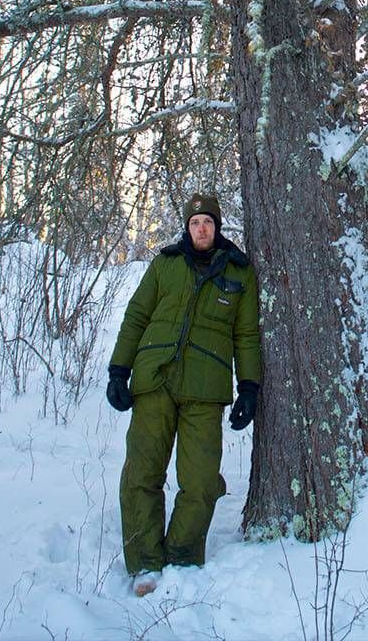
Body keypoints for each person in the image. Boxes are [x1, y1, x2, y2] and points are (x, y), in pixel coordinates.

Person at [105, 191, 261, 597]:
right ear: (187, 228)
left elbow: (245, 335)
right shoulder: (166, 264)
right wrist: (119, 370)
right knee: (142, 473)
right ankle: (144, 562)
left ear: (217, 226)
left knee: (202, 480)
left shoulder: (240, 272)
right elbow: (137, 315)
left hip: (204, 391)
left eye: (207, 221)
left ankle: (183, 556)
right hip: (154, 381)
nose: (201, 228)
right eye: (194, 223)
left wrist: (249, 388)